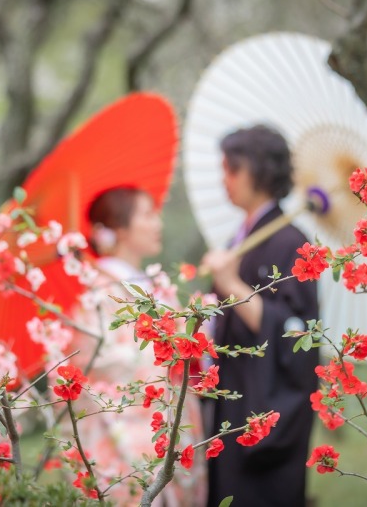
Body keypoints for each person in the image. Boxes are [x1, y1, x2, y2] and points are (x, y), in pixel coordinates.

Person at [63, 186, 207, 506]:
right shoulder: (98, 292)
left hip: (166, 423)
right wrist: (168, 347)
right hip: (128, 434)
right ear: (119, 228)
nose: (158, 223)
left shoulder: (148, 285)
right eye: (147, 215)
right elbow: (98, 363)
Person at [201, 125, 320, 506]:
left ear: (259, 171)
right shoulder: (239, 239)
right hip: (233, 396)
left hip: (265, 404)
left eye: (232, 170)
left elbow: (294, 333)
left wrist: (231, 283)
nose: (225, 180)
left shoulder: (291, 241)